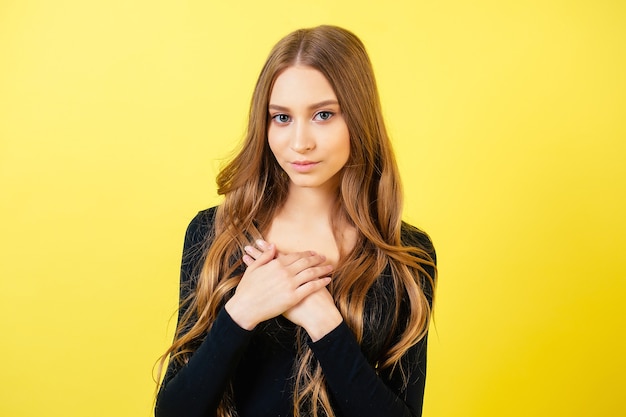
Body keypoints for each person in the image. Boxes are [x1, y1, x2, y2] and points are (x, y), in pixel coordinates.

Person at [154, 25, 437, 417]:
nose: (300, 141)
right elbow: (173, 412)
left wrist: (325, 324)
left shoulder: (405, 256)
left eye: (323, 115)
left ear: (357, 116)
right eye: (282, 118)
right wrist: (242, 311)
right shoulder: (213, 234)